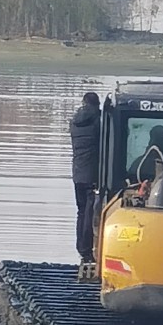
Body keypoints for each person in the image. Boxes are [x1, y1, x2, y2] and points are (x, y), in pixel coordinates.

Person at [69, 91, 100, 261]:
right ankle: (87, 249)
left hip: (77, 173)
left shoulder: (74, 122)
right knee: (89, 211)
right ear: (97, 105)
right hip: (92, 174)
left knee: (81, 211)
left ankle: (81, 249)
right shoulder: (98, 121)